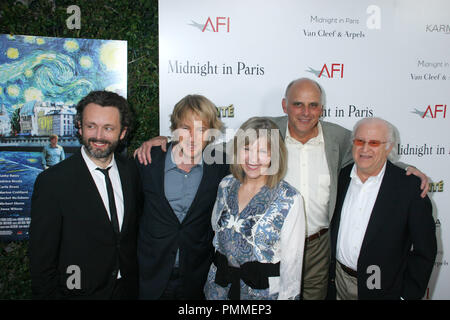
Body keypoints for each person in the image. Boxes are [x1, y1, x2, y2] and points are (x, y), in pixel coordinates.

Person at [134, 77, 429, 300]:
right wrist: (166, 140)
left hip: (317, 244)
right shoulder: (250, 150)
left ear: (321, 108)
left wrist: (405, 170)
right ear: (285, 105)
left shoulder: (339, 137)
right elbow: (213, 146)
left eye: (313, 105)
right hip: (224, 278)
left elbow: (369, 154)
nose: (305, 111)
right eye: (298, 104)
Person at [29, 90, 141, 299]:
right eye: (91, 126)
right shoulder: (53, 182)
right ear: (80, 127)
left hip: (128, 292)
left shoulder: (132, 172)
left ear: (123, 132)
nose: (98, 136)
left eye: (108, 128)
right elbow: (41, 261)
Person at [327, 117, 436, 300]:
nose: (365, 148)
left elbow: (424, 251)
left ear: (389, 147)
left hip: (381, 287)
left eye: (375, 143)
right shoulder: (342, 176)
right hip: (338, 282)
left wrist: (406, 296)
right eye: (360, 141)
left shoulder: (410, 188)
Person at [137, 94, 229, 300]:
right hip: (150, 274)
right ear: (174, 128)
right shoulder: (147, 161)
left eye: (202, 130)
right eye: (186, 128)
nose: (193, 137)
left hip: (197, 275)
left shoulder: (221, 166)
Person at [204, 117, 305, 300]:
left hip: (262, 294)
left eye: (262, 151)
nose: (252, 158)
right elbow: (216, 234)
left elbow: (293, 265)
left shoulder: (290, 199)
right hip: (219, 288)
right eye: (247, 148)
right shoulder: (226, 185)